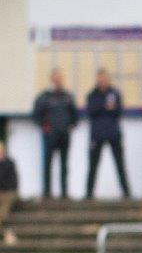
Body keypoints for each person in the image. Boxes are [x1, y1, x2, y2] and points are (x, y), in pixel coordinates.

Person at [85, 69, 132, 199]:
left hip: (113, 134)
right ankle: (89, 194)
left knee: (120, 164)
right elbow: (90, 111)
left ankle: (126, 193)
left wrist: (107, 108)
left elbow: (118, 111)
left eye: (104, 78)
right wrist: (104, 107)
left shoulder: (115, 93)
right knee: (93, 165)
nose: (102, 81)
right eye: (100, 78)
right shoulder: (92, 95)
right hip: (97, 134)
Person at [32, 68, 77, 200]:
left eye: (60, 77)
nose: (58, 80)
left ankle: (64, 193)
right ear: (51, 79)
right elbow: (36, 116)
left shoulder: (68, 96)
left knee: (64, 164)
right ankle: (47, 192)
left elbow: (74, 115)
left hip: (64, 135)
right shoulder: (43, 97)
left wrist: (71, 126)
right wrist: (44, 126)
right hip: (49, 136)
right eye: (55, 77)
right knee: (48, 164)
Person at [0, 141, 18, 246]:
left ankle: (8, 233)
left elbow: (13, 181)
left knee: (4, 209)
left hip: (8, 192)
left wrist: (4, 190)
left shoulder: (10, 163)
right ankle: (8, 234)